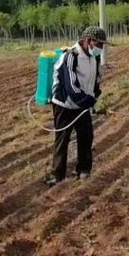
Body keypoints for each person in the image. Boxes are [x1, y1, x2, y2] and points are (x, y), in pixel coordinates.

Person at [46, 25, 106, 185]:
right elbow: (71, 85)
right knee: (62, 139)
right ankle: (57, 175)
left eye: (102, 45)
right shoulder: (71, 56)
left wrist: (95, 97)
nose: (101, 48)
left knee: (86, 137)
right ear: (88, 41)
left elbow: (95, 80)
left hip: (82, 104)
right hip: (64, 104)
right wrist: (88, 101)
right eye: (99, 44)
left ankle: (84, 170)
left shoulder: (95, 58)